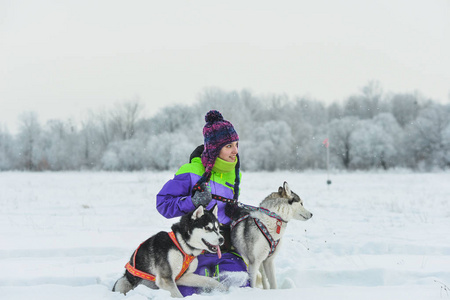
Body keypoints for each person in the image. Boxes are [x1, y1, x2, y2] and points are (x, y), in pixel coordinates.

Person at [156, 110, 248, 296]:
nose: (235, 151)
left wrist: (236, 211)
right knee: (190, 292)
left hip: (226, 249)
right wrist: (192, 202)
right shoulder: (191, 171)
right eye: (229, 146)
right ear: (214, 149)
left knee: (240, 289)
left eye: (237, 144)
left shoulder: (234, 173)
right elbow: (163, 204)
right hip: (193, 251)